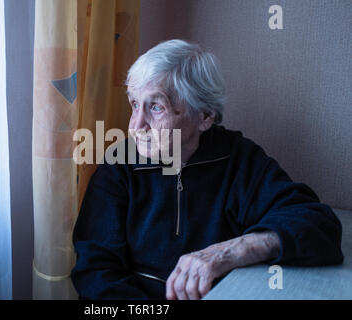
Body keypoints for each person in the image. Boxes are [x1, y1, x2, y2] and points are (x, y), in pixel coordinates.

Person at [71, 39, 343, 300]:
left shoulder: (238, 160)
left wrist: (231, 251)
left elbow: (318, 224)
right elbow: (95, 273)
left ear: (204, 117)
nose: (136, 126)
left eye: (156, 107)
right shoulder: (119, 166)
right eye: (134, 104)